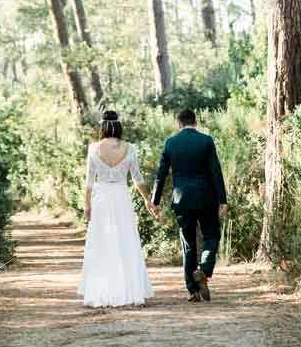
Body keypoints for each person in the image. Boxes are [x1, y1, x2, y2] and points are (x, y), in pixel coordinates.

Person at [78, 109, 155, 307]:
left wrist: (87, 205)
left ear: (102, 126)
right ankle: (128, 290)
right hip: (122, 198)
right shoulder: (129, 148)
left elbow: (88, 183)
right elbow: (138, 179)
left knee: (103, 242)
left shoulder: (94, 148)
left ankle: (102, 289)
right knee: (125, 240)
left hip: (102, 199)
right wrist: (148, 199)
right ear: (119, 126)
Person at [151, 107, 227, 302]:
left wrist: (155, 201)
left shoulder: (170, 143)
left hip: (182, 200)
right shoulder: (206, 141)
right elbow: (216, 172)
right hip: (206, 198)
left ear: (179, 123)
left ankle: (193, 291)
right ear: (195, 122)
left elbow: (161, 175)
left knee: (188, 245)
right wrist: (222, 200)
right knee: (211, 236)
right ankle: (204, 269)